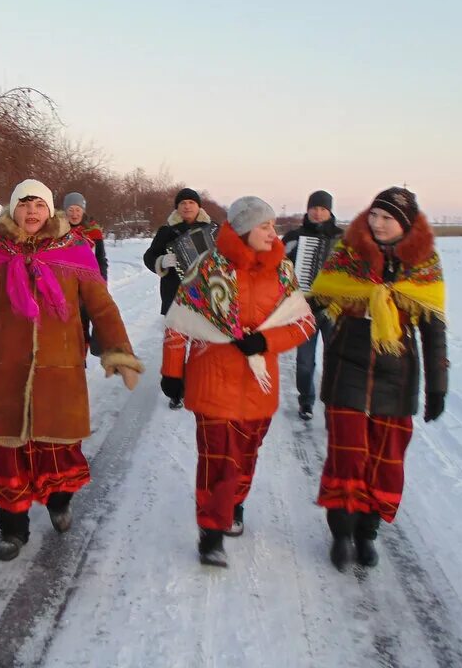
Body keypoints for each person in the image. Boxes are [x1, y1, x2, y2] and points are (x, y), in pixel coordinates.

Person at [0, 179, 143, 561]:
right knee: (8, 454)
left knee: (58, 447)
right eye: (24, 205)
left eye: (39, 205)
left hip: (59, 369)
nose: (32, 212)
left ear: (50, 209)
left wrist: (118, 351)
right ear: (12, 210)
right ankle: (12, 528)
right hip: (5, 370)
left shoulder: (73, 250)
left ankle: (59, 500)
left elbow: (101, 306)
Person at [162, 197, 315, 567]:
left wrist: (267, 341)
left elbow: (304, 324)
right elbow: (179, 323)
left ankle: (234, 502)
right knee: (217, 459)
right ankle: (211, 530)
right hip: (212, 379)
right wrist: (172, 372)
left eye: (273, 226)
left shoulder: (283, 272)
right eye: (265, 226)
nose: (272, 233)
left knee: (245, 455)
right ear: (244, 228)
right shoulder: (205, 268)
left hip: (259, 385)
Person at [311, 187, 448, 571]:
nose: (377, 223)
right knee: (346, 456)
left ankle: (367, 533)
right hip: (346, 365)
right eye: (374, 215)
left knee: (384, 461)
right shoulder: (348, 253)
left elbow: (434, 329)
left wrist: (437, 386)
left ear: (405, 224)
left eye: (387, 218)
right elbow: (320, 296)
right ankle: (340, 531)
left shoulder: (424, 264)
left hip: (397, 375)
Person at [143, 188, 214, 409]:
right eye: (182, 203)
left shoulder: (212, 230)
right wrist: (162, 261)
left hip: (205, 297)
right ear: (177, 207)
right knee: (175, 347)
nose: (187, 206)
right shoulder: (167, 231)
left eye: (191, 203)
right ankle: (175, 390)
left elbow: (227, 257)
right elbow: (149, 256)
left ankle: (198, 386)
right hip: (175, 296)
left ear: (199, 206)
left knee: (202, 346)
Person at [282, 190, 344, 420]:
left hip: (334, 311)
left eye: (323, 209)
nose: (318, 213)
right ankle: (306, 401)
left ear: (329, 211)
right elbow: (279, 266)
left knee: (334, 361)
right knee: (304, 363)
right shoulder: (294, 237)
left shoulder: (342, 239)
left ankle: (331, 406)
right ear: (308, 210)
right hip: (304, 309)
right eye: (314, 208)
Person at [63, 190, 108, 356]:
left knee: (88, 320)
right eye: (71, 210)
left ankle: (85, 354)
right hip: (66, 285)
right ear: (65, 211)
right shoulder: (58, 231)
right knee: (71, 326)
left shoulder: (94, 232)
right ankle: (75, 360)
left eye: (78, 210)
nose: (74, 214)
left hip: (89, 285)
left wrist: (103, 282)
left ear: (83, 211)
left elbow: (101, 260)